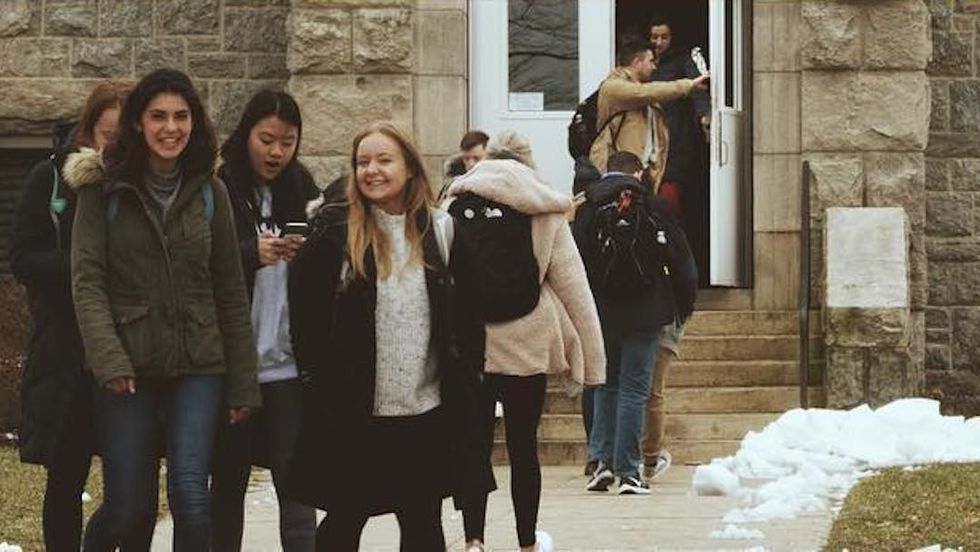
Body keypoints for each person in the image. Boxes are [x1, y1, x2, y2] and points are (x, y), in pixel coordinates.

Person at [68, 68, 260, 552]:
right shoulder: (102, 189)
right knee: (128, 507)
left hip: (199, 364)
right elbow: (87, 283)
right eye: (158, 117)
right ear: (137, 123)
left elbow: (230, 293)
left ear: (194, 122)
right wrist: (108, 359)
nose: (170, 128)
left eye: (181, 116)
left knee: (192, 496)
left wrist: (242, 381)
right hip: (126, 366)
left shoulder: (210, 192)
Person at [284, 121, 494, 551]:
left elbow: (471, 317)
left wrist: (467, 375)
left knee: (422, 526)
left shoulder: (443, 230)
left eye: (384, 160)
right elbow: (304, 316)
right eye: (363, 162)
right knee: (343, 523)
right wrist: (319, 383)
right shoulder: (335, 234)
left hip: (425, 414)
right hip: (355, 415)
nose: (372, 170)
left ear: (410, 168)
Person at [445, 133, 605, 552]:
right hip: (528, 346)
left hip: (473, 347)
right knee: (523, 448)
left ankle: (474, 540)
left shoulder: (454, 204)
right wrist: (593, 359)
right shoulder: (543, 209)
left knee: (474, 446)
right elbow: (574, 287)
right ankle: (527, 542)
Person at [9, 81, 131, 552]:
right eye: (107, 133)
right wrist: (86, 266)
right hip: (67, 356)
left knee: (130, 490)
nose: (114, 145)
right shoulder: (52, 179)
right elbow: (24, 258)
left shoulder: (144, 184)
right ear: (88, 131)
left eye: (125, 135)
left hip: (129, 355)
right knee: (66, 479)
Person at [210, 90, 319, 552]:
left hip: (288, 367)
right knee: (227, 486)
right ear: (246, 134)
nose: (276, 152)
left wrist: (307, 252)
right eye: (267, 139)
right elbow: (197, 263)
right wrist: (248, 255)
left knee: (297, 488)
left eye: (288, 142)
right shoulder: (218, 187)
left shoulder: (303, 190)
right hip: (231, 366)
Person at [573, 150, 696, 495]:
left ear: (606, 172)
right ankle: (629, 472)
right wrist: (682, 307)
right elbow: (682, 262)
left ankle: (601, 463)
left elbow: (574, 263)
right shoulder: (654, 207)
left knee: (605, 386)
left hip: (602, 312)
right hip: (646, 312)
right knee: (634, 391)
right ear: (637, 173)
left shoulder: (588, 208)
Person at [588, 35, 708, 190]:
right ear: (637, 63)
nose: (654, 67)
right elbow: (646, 92)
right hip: (619, 173)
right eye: (650, 61)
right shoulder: (613, 87)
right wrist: (688, 85)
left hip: (639, 174)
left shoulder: (641, 90)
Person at [648, 13, 712, 283]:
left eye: (664, 37)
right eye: (654, 37)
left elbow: (700, 86)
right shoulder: (641, 62)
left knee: (670, 205)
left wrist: (705, 116)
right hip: (647, 148)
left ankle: (680, 268)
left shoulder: (686, 57)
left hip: (676, 147)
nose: (658, 42)